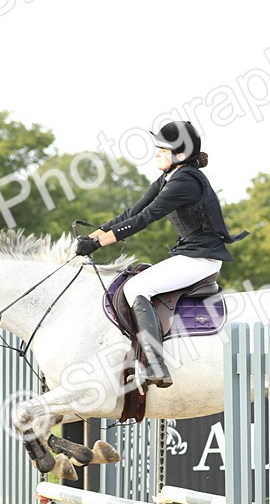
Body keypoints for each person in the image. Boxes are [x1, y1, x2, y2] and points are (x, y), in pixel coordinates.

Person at [76, 121, 246, 391]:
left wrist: (99, 245)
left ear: (179, 154)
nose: (156, 153)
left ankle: (155, 364)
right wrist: (92, 237)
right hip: (190, 255)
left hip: (201, 259)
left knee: (136, 286)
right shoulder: (170, 177)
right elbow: (132, 212)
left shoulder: (186, 182)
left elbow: (146, 219)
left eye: (162, 149)